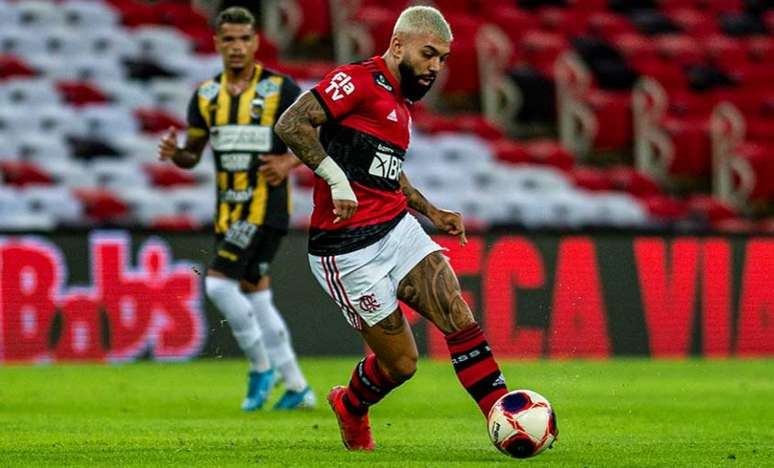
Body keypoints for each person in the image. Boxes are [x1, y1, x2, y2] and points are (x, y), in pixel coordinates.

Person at [275, 5, 508, 450]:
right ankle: (351, 406)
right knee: (402, 365)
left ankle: (503, 415)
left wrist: (430, 211)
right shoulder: (358, 82)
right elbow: (291, 123)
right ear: (398, 44)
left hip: (395, 228)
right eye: (428, 54)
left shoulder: (401, 103)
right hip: (345, 249)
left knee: (455, 311)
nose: (435, 67)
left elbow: (386, 170)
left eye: (441, 58)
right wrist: (336, 180)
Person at [157, 7, 315, 411]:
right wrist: (178, 154)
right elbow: (193, 154)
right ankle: (297, 387)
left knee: (218, 283)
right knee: (255, 293)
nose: (237, 47)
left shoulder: (280, 89)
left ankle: (262, 366)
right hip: (228, 210)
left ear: (256, 41)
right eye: (229, 39)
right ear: (217, 43)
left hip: (265, 208)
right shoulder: (206, 96)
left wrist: (286, 162)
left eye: (244, 38)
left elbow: (318, 133)